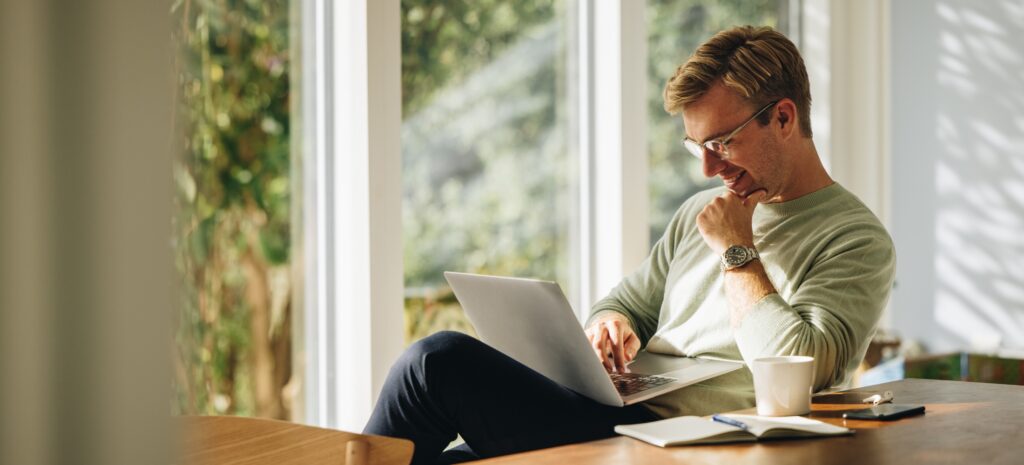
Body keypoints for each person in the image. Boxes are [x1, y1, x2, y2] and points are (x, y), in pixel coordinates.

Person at [364, 25, 895, 464]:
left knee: (436, 363)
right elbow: (625, 304)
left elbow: (798, 362)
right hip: (618, 414)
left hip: (693, 439)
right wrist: (608, 327)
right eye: (697, 148)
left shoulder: (855, 239)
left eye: (721, 142)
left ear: (783, 117)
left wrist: (737, 251)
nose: (709, 168)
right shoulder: (697, 215)